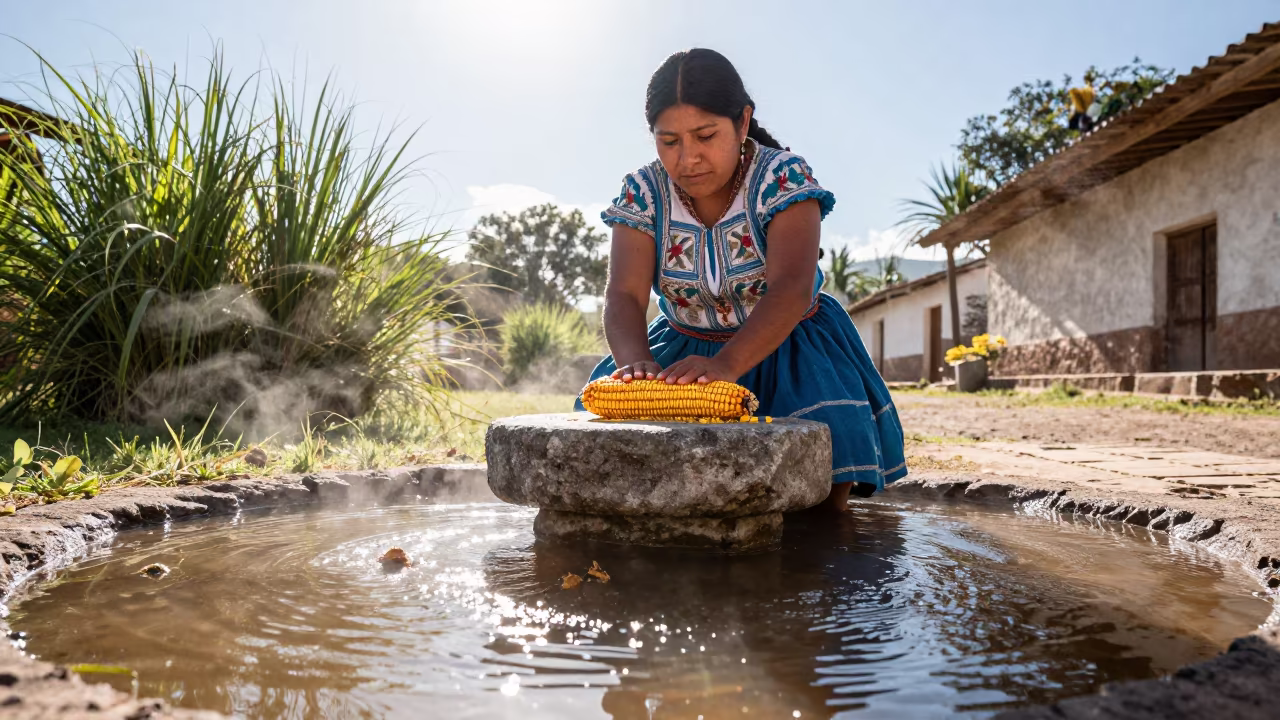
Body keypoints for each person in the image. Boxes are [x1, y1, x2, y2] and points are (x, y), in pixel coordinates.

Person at [574, 48, 906, 509]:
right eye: (669, 141)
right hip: (682, 353)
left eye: (705, 136)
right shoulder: (643, 193)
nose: (688, 158)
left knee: (816, 501)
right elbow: (624, 294)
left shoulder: (782, 180)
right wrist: (635, 363)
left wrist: (727, 367)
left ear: (743, 121)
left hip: (792, 350)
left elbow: (790, 288)